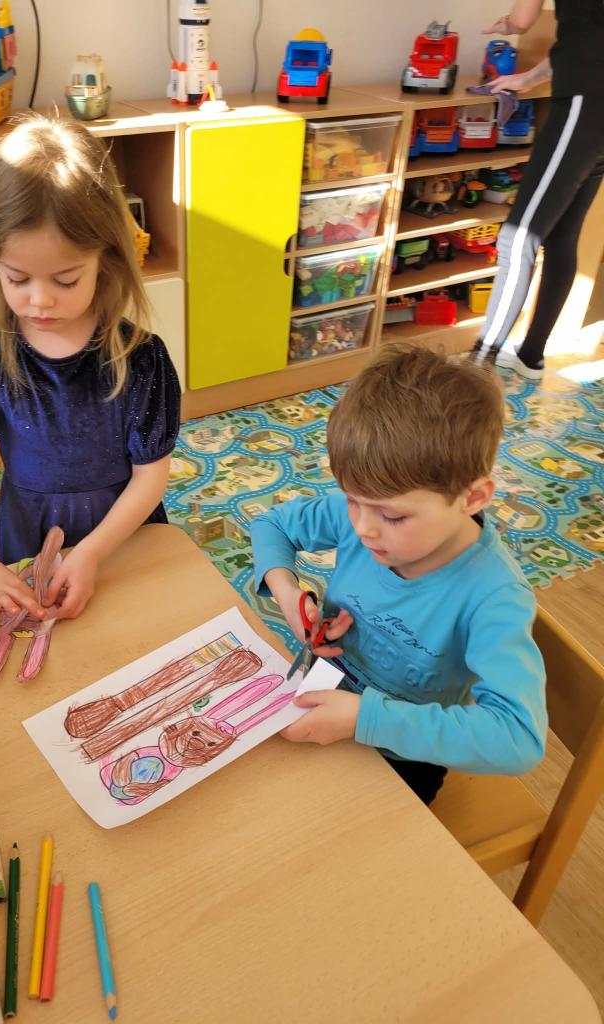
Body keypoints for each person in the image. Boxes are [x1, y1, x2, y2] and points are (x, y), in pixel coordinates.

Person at [250, 346, 547, 805]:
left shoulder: (494, 596)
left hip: (403, 757)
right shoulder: (366, 510)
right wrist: (290, 597)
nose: (363, 528)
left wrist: (363, 718)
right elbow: (271, 526)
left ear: (471, 498)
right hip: (320, 698)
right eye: (352, 500)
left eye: (392, 516)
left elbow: (517, 738)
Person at [0, 114, 181, 622]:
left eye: (65, 280)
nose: (40, 300)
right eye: (17, 278)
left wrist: (91, 553)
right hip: (28, 530)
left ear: (106, 260)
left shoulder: (142, 359)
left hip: (122, 534)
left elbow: (150, 478)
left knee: (135, 631)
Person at [472, 0, 604, 379]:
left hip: (584, 103)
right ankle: (531, 355)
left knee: (518, 238)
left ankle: (475, 370)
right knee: (561, 234)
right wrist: (529, 79)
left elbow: (522, 20)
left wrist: (509, 23)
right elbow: (586, 38)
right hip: (595, 106)